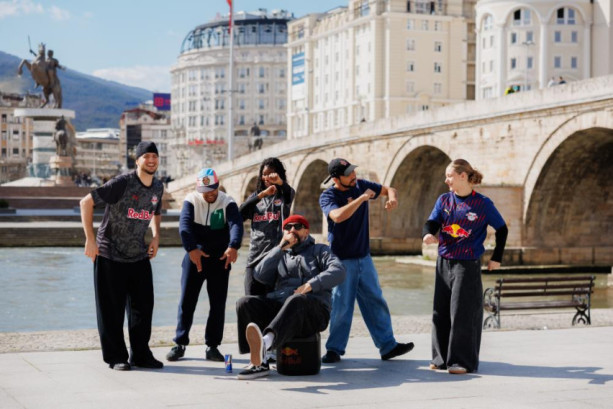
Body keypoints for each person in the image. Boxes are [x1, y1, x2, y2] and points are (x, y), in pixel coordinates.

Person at [319, 158, 414, 363]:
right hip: (341, 260)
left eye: (353, 171)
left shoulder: (361, 184)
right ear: (336, 179)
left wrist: (392, 198)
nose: (353, 176)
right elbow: (337, 216)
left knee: (375, 301)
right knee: (342, 305)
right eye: (348, 174)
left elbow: (390, 189)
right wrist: (361, 199)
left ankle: (388, 346)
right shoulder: (328, 196)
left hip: (364, 257)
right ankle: (334, 350)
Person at [79, 141, 164, 371]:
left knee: (143, 309)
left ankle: (141, 355)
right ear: (137, 161)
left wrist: (156, 237)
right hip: (109, 255)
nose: (151, 160)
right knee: (111, 312)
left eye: (154, 156)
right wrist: (90, 239)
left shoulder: (158, 187)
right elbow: (86, 202)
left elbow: (156, 212)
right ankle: (116, 357)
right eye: (146, 156)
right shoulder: (122, 183)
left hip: (138, 255)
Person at [422, 159, 508, 375]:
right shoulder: (444, 200)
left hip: (467, 264)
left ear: (463, 176)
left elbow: (502, 229)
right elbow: (432, 222)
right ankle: (440, 358)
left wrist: (496, 257)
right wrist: (428, 234)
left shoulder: (483, 204)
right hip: (443, 261)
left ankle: (461, 361)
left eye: (449, 176)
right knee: (440, 311)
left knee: (462, 313)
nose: (446, 180)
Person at [236, 214, 346, 379]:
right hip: (284, 311)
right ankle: (259, 362)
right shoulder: (280, 253)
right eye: (288, 227)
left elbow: (339, 271)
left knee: (297, 299)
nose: (292, 230)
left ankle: (265, 343)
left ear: (306, 231)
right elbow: (259, 275)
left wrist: (311, 285)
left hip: (314, 312)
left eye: (297, 226)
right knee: (245, 302)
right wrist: (279, 249)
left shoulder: (320, 250)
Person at [166, 168, 243, 362]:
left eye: (212, 190)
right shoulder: (191, 200)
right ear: (198, 189)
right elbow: (184, 226)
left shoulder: (227, 202)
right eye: (205, 191)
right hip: (195, 257)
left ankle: (212, 346)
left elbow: (236, 225)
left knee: (217, 304)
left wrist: (233, 246)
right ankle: (180, 343)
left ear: (218, 186)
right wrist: (191, 249)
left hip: (220, 259)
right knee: (187, 301)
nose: (209, 194)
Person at [239, 157, 295, 296]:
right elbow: (240, 214)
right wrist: (262, 195)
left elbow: (289, 192)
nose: (267, 177)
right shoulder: (256, 197)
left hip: (276, 257)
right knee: (250, 300)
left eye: (271, 174)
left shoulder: (283, 196)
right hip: (254, 256)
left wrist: (279, 182)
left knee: (272, 301)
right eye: (264, 174)